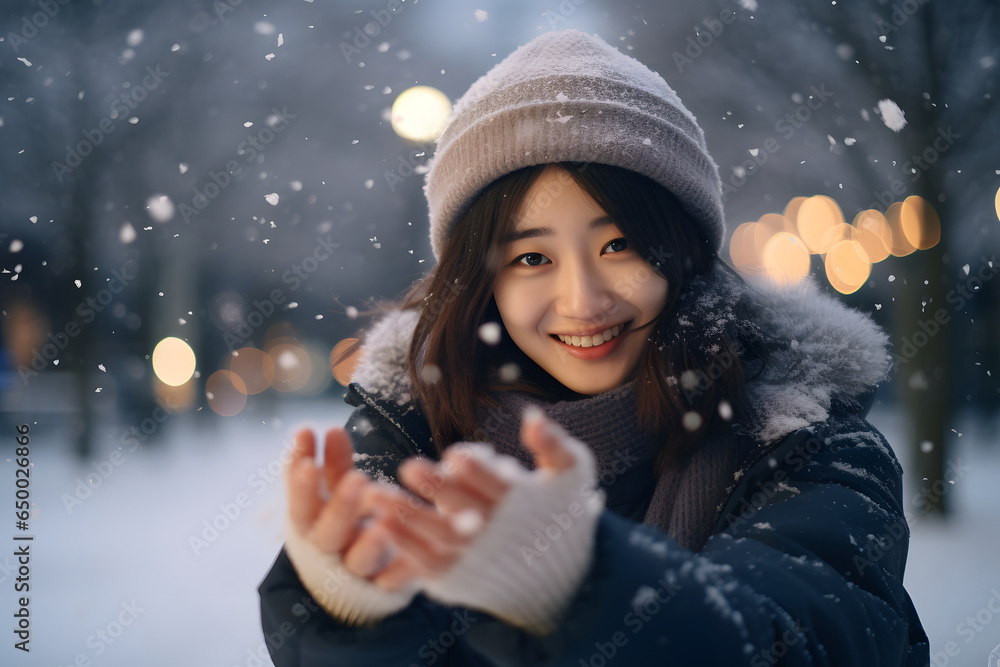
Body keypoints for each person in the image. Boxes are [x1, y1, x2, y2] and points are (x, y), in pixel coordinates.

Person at [258, 29, 929, 665]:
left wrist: (587, 589)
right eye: (530, 258)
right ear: (479, 279)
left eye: (619, 245)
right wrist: (353, 608)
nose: (583, 300)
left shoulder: (804, 439)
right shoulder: (416, 435)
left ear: (681, 250)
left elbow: (805, 638)